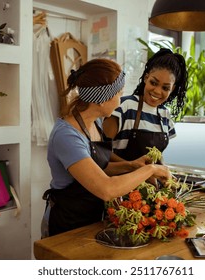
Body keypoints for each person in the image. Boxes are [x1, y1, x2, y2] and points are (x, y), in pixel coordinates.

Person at [42, 58, 172, 237]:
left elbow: (97, 167)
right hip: (67, 224)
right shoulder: (67, 136)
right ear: (102, 99)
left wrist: (132, 165)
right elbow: (106, 188)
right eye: (119, 94)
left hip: (91, 219)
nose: (120, 101)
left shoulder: (95, 122)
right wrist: (150, 169)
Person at [103, 48, 188, 161]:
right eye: (153, 83)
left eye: (165, 88)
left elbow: (158, 157)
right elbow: (101, 151)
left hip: (149, 178)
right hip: (120, 178)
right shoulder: (124, 106)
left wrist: (164, 173)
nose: (157, 91)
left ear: (172, 89)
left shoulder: (165, 115)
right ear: (146, 78)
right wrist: (135, 168)